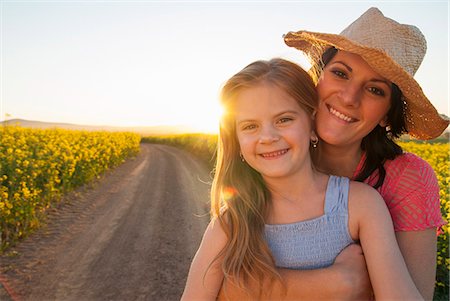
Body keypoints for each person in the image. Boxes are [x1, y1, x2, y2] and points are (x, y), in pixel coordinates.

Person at [219, 7, 449, 301]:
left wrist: (256, 288)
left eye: (375, 90)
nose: (349, 98)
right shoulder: (274, 158)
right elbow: (220, 281)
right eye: (340, 73)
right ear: (319, 76)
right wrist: (338, 282)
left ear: (386, 116)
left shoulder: (407, 179)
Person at [181, 58, 424, 301]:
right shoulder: (231, 222)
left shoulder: (360, 205)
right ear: (236, 141)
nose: (267, 136)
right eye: (250, 126)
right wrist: (338, 282)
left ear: (311, 123)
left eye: (284, 119)